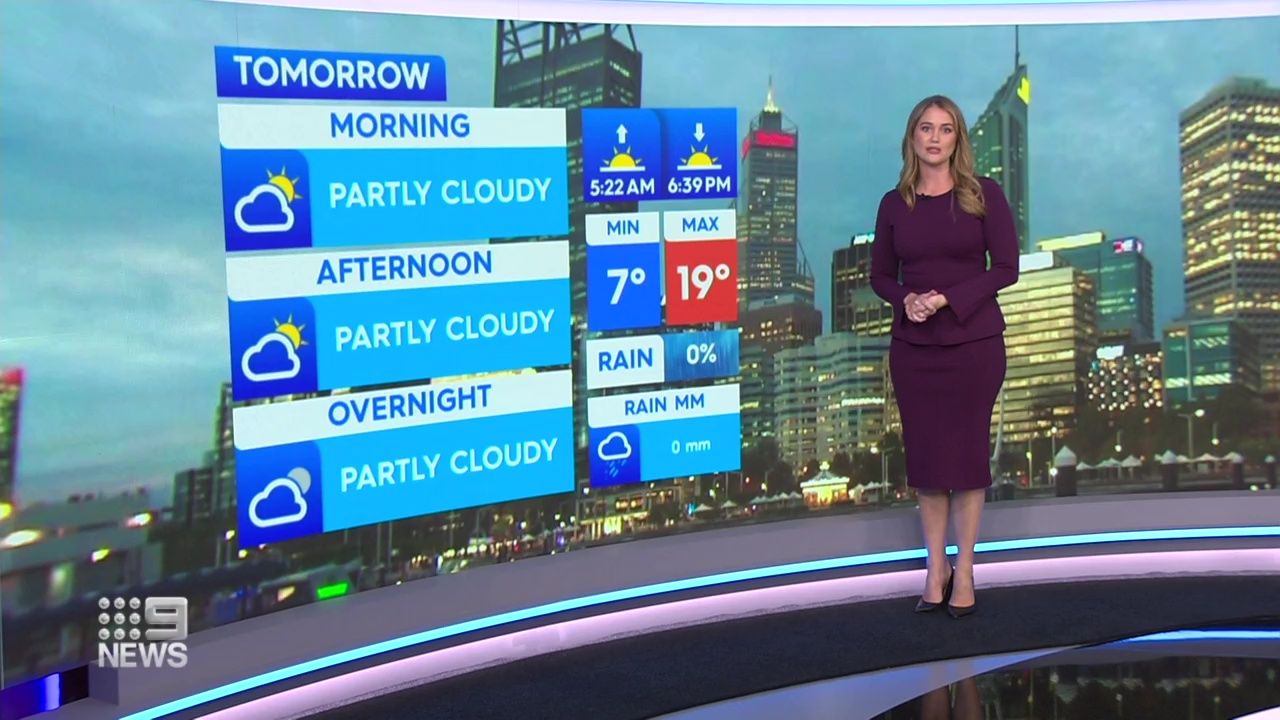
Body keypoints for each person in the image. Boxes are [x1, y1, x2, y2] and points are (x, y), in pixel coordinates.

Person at [870, 95, 1019, 619]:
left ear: (958, 140)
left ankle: (966, 572)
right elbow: (880, 276)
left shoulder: (984, 194)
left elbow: (1006, 268)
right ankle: (935, 571)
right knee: (928, 463)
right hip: (914, 351)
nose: (935, 138)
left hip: (974, 346)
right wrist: (906, 299)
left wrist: (947, 299)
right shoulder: (894, 204)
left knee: (968, 460)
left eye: (946, 129)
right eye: (926, 128)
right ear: (912, 137)